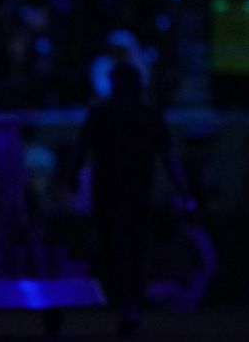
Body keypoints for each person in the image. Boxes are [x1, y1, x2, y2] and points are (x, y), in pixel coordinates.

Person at [70, 61, 192, 336]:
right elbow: (169, 158)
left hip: (109, 193)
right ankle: (131, 302)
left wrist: (73, 177)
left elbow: (80, 149)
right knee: (134, 250)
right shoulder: (148, 115)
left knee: (115, 247)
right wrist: (186, 194)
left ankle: (125, 302)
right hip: (137, 193)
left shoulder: (102, 114)